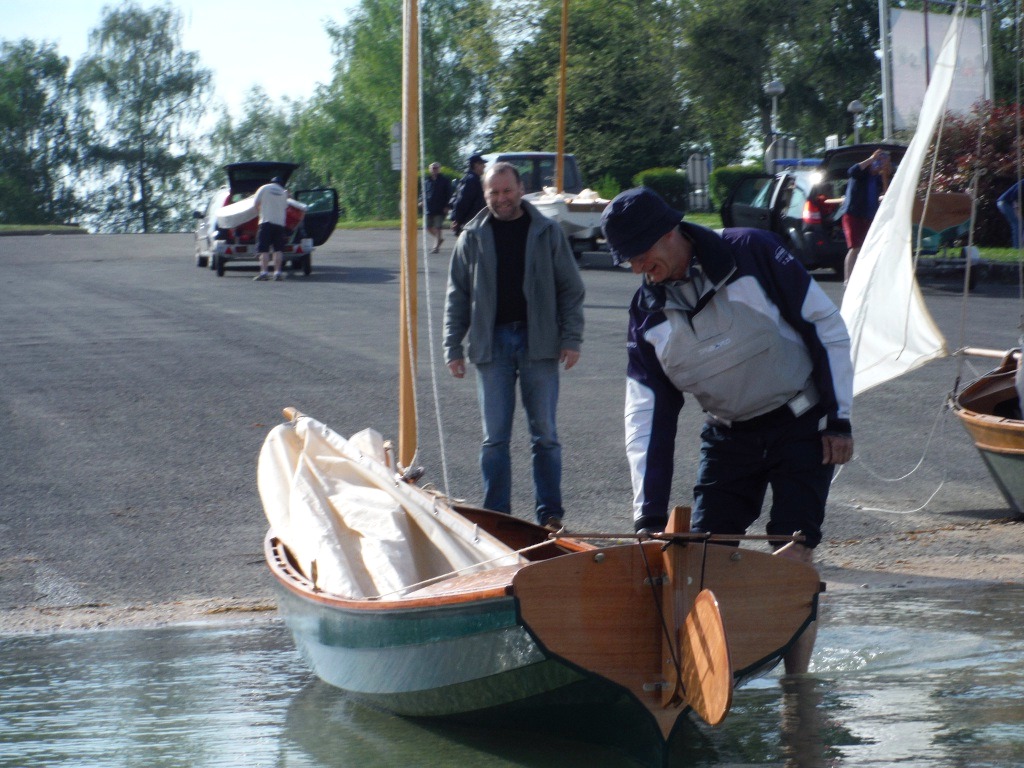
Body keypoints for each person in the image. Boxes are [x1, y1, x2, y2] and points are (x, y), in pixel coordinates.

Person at [600, 186, 854, 674]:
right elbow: (647, 414)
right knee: (703, 561)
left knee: (792, 552)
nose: (635, 268)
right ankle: (703, 672)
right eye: (627, 260)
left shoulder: (754, 252)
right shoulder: (645, 315)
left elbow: (827, 328)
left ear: (668, 233)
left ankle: (796, 689)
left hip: (801, 424)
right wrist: (647, 517)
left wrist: (838, 419)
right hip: (728, 436)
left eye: (639, 255)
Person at [443, 161, 585, 530]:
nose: (501, 199)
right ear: (485, 193)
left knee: (546, 436)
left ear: (521, 189)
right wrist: (452, 347)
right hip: (492, 347)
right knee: (495, 440)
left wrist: (571, 338)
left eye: (507, 191)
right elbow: (457, 296)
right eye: (494, 192)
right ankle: (497, 518)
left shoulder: (547, 232)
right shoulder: (470, 237)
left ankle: (550, 516)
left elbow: (570, 289)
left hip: (539, 343)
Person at [837, 148, 892, 283]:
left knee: (867, 247)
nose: (878, 166)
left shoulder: (878, 178)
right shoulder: (861, 173)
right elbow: (851, 171)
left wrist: (885, 173)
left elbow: (887, 193)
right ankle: (848, 280)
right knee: (854, 247)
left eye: (881, 163)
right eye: (877, 163)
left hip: (868, 216)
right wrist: (872, 158)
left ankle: (864, 279)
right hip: (853, 214)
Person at [253, 176, 291, 281]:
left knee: (264, 250)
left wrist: (260, 213)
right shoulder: (284, 192)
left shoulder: (264, 188)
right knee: (278, 250)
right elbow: (285, 207)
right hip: (279, 224)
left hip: (265, 222)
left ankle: (264, 273)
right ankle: (277, 273)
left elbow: (255, 204)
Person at [449, 154, 487, 236]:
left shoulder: (472, 179)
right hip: (470, 223)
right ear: (476, 165)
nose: (484, 166)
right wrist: (457, 220)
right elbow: (462, 201)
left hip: (473, 222)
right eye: (482, 164)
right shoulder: (471, 180)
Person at [421, 162, 453, 253]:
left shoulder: (445, 180)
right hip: (429, 208)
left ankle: (436, 248)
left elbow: (449, 194)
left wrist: (448, 206)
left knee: (438, 227)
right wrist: (421, 200)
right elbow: (423, 193)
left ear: (439, 169)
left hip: (440, 207)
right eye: (433, 168)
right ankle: (439, 239)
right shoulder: (427, 181)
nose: (434, 169)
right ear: (430, 169)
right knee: (428, 227)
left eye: (436, 168)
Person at [996, 180, 1022, 249]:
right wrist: (1017, 210)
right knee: (1018, 223)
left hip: (1008, 203)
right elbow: (1014, 196)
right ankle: (1017, 247)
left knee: (1019, 223)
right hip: (1004, 202)